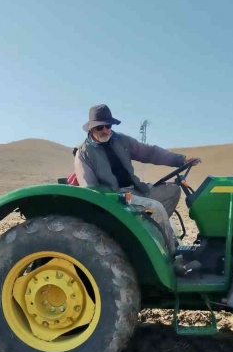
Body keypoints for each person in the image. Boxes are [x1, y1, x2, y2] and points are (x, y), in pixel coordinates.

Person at [74, 104, 201, 273]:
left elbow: (150, 153)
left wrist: (181, 160)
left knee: (173, 191)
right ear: (91, 129)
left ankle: (153, 233)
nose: (105, 130)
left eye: (108, 126)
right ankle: (173, 259)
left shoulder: (122, 141)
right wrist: (115, 199)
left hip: (136, 189)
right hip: (115, 198)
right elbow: (91, 189)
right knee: (155, 208)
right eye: (99, 127)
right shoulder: (83, 153)